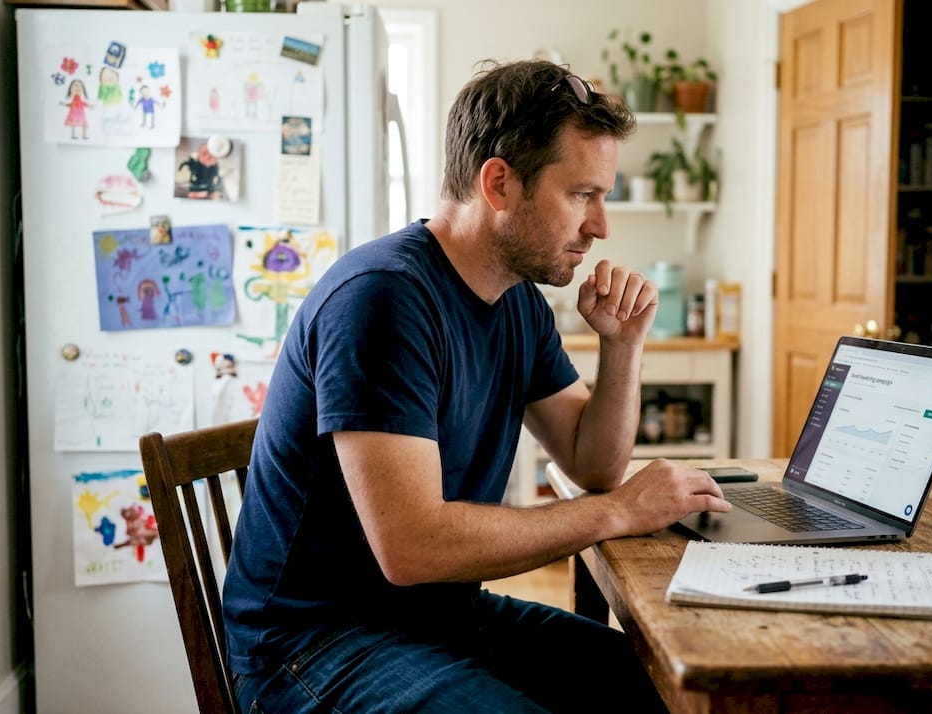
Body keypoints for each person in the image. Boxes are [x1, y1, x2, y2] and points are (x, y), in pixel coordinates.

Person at [222, 58, 731, 713]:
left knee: (668, 691)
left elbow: (590, 461)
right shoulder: (383, 300)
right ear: (499, 183)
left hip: (438, 618)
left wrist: (622, 347)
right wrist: (619, 512)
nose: (601, 225)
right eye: (581, 194)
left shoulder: (516, 299)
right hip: (313, 645)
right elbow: (411, 547)